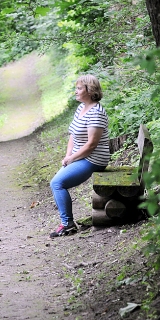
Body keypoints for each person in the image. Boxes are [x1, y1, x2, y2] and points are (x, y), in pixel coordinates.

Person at [49, 74, 110, 237]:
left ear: (90, 90)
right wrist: (68, 155)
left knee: (57, 183)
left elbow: (92, 145)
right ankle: (66, 222)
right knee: (56, 183)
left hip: (94, 158)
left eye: (78, 88)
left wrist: (72, 158)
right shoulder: (81, 108)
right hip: (80, 156)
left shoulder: (96, 112)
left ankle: (67, 224)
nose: (75, 91)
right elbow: (73, 135)